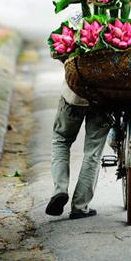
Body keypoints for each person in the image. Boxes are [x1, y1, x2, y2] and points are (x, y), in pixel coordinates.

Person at [45, 79, 110, 219]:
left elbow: (59, 56)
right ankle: (80, 207)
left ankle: (59, 190)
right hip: (104, 99)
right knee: (93, 152)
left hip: (74, 97)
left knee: (61, 141)